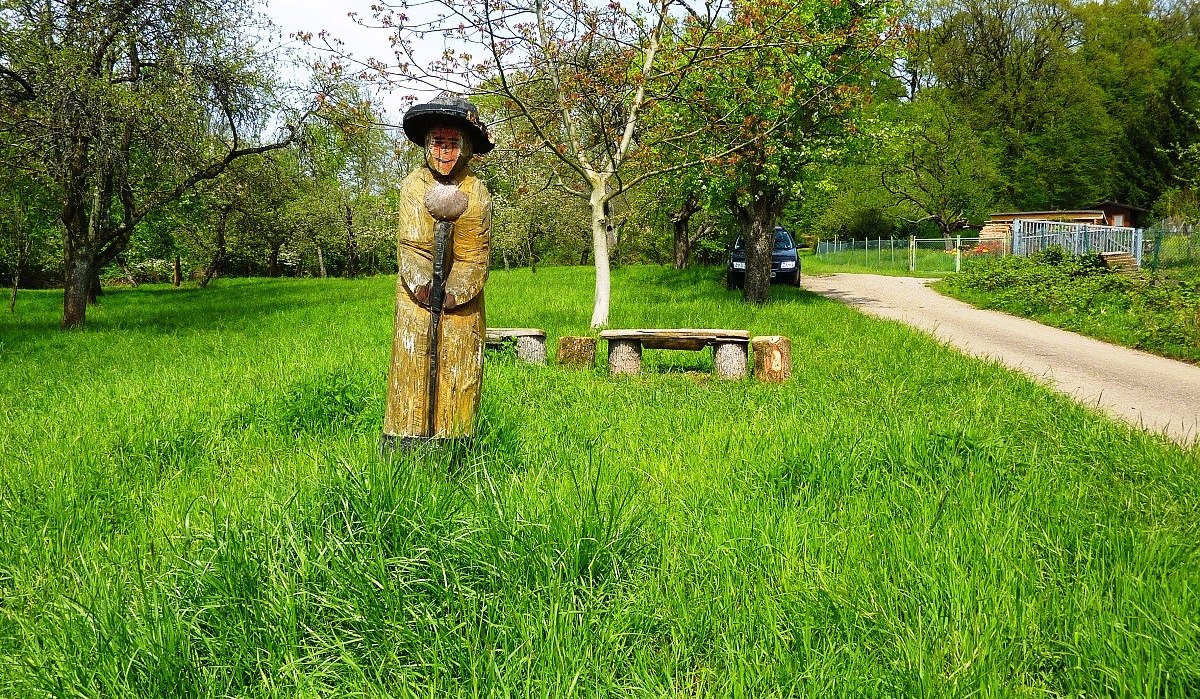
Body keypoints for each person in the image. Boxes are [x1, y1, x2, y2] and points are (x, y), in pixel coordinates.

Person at [383, 93, 494, 446]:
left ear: (466, 148)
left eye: (452, 143)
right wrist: (422, 284)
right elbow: (411, 246)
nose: (444, 153)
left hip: (460, 303)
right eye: (437, 143)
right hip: (415, 298)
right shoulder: (414, 185)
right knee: (412, 365)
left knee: (458, 369)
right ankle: (404, 440)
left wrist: (454, 291)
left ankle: (455, 444)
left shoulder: (476, 191)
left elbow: (475, 256)